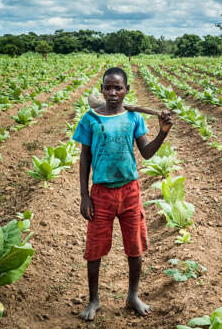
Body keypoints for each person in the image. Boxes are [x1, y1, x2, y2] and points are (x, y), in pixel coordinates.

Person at [72, 67, 173, 321]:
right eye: (108, 87)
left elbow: (147, 153)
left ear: (126, 90)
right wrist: (84, 195)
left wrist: (162, 132)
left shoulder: (134, 119)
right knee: (94, 248)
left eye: (118, 88)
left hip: (130, 190)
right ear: (102, 90)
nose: (113, 92)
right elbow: (85, 157)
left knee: (134, 246)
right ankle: (94, 299)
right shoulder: (90, 119)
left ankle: (133, 295)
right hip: (101, 193)